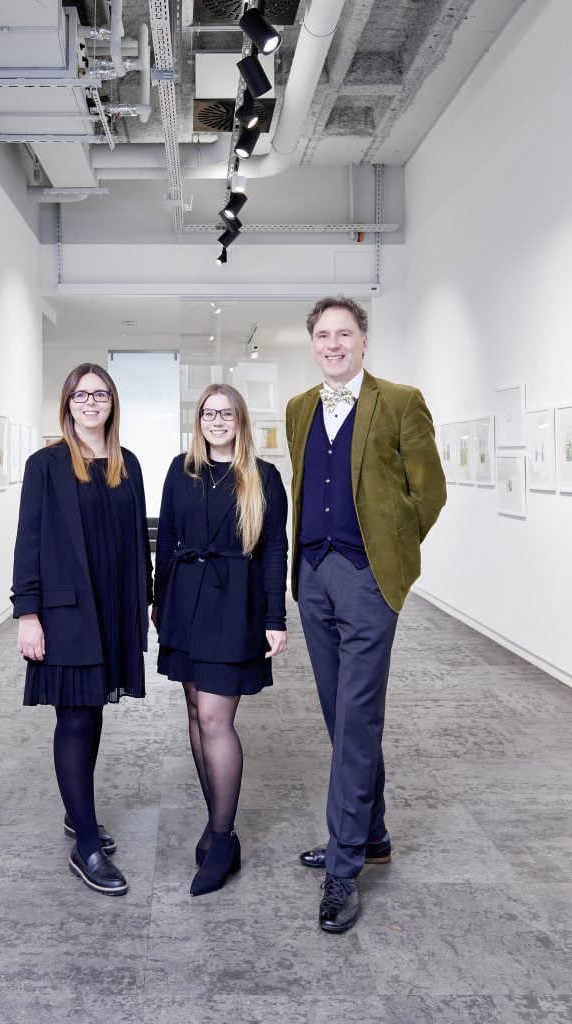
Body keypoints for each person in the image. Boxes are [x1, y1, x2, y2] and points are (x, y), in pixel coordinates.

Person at [286, 297, 446, 933]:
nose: (333, 343)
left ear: (364, 341)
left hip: (367, 578)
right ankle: (371, 832)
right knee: (339, 713)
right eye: (323, 335)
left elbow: (428, 491)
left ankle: (344, 866)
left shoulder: (401, 401)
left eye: (343, 333)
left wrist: (391, 553)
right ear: (313, 343)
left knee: (357, 715)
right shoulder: (300, 408)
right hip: (314, 574)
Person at [11, 363, 152, 896]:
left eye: (101, 394)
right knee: (74, 716)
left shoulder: (127, 464)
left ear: (112, 403)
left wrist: (149, 600)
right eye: (81, 394)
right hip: (66, 610)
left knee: (92, 712)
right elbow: (29, 542)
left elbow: (139, 541)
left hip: (114, 608)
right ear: (67, 403)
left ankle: (78, 813)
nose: (91, 402)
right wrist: (28, 613)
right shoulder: (45, 464)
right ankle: (86, 842)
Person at [153, 384, 288, 896]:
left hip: (235, 606)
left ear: (240, 420)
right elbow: (165, 536)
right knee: (193, 712)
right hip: (184, 602)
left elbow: (276, 549)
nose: (216, 421)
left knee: (214, 717)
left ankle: (223, 835)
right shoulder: (180, 469)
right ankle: (216, 824)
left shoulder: (262, 477)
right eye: (208, 413)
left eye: (225, 413)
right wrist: (157, 597)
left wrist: (275, 616)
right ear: (198, 420)